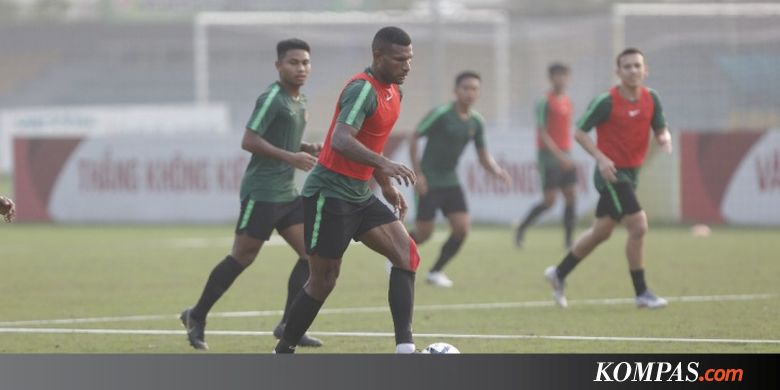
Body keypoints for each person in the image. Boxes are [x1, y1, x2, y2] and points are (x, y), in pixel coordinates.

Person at [273, 26, 418, 354]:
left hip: (360, 194)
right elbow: (340, 139)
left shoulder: (396, 92)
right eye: (399, 59)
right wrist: (384, 165)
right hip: (329, 194)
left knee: (406, 255)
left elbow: (372, 141)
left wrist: (385, 185)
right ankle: (283, 350)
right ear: (378, 56)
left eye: (409, 59)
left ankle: (406, 351)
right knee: (323, 281)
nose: (407, 66)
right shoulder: (361, 90)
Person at [180, 38, 324, 350]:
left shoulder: (300, 100)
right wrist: (291, 157)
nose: (301, 68)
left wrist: (304, 147)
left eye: (305, 63)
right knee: (242, 257)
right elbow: (249, 140)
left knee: (311, 256)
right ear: (279, 66)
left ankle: (289, 325)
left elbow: (281, 138)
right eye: (294, 62)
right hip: (262, 192)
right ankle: (197, 315)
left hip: (287, 192)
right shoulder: (272, 97)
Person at [543, 48, 672, 309]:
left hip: (632, 174)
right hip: (611, 174)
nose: (633, 71)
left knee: (601, 232)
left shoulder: (652, 98)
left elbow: (659, 126)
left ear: (645, 70)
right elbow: (580, 132)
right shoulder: (606, 101)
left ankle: (559, 273)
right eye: (627, 66)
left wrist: (663, 136)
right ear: (618, 72)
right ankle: (642, 293)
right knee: (638, 225)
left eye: (637, 66)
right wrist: (601, 158)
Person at [408, 71, 511, 288]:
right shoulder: (441, 114)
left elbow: (483, 155)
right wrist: (418, 174)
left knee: (462, 228)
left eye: (475, 89)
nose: (470, 93)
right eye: (466, 88)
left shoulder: (476, 122)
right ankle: (396, 254)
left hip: (450, 182)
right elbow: (414, 137)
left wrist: (497, 171)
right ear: (456, 91)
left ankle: (435, 272)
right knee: (424, 234)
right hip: (429, 181)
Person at [515, 63, 577, 249]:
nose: (562, 79)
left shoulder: (567, 101)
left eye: (565, 75)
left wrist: (567, 154)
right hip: (550, 158)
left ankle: (568, 241)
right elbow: (542, 132)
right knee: (550, 201)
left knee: (571, 196)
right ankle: (522, 228)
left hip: (566, 156)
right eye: (558, 75)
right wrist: (559, 156)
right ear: (550, 78)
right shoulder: (544, 101)